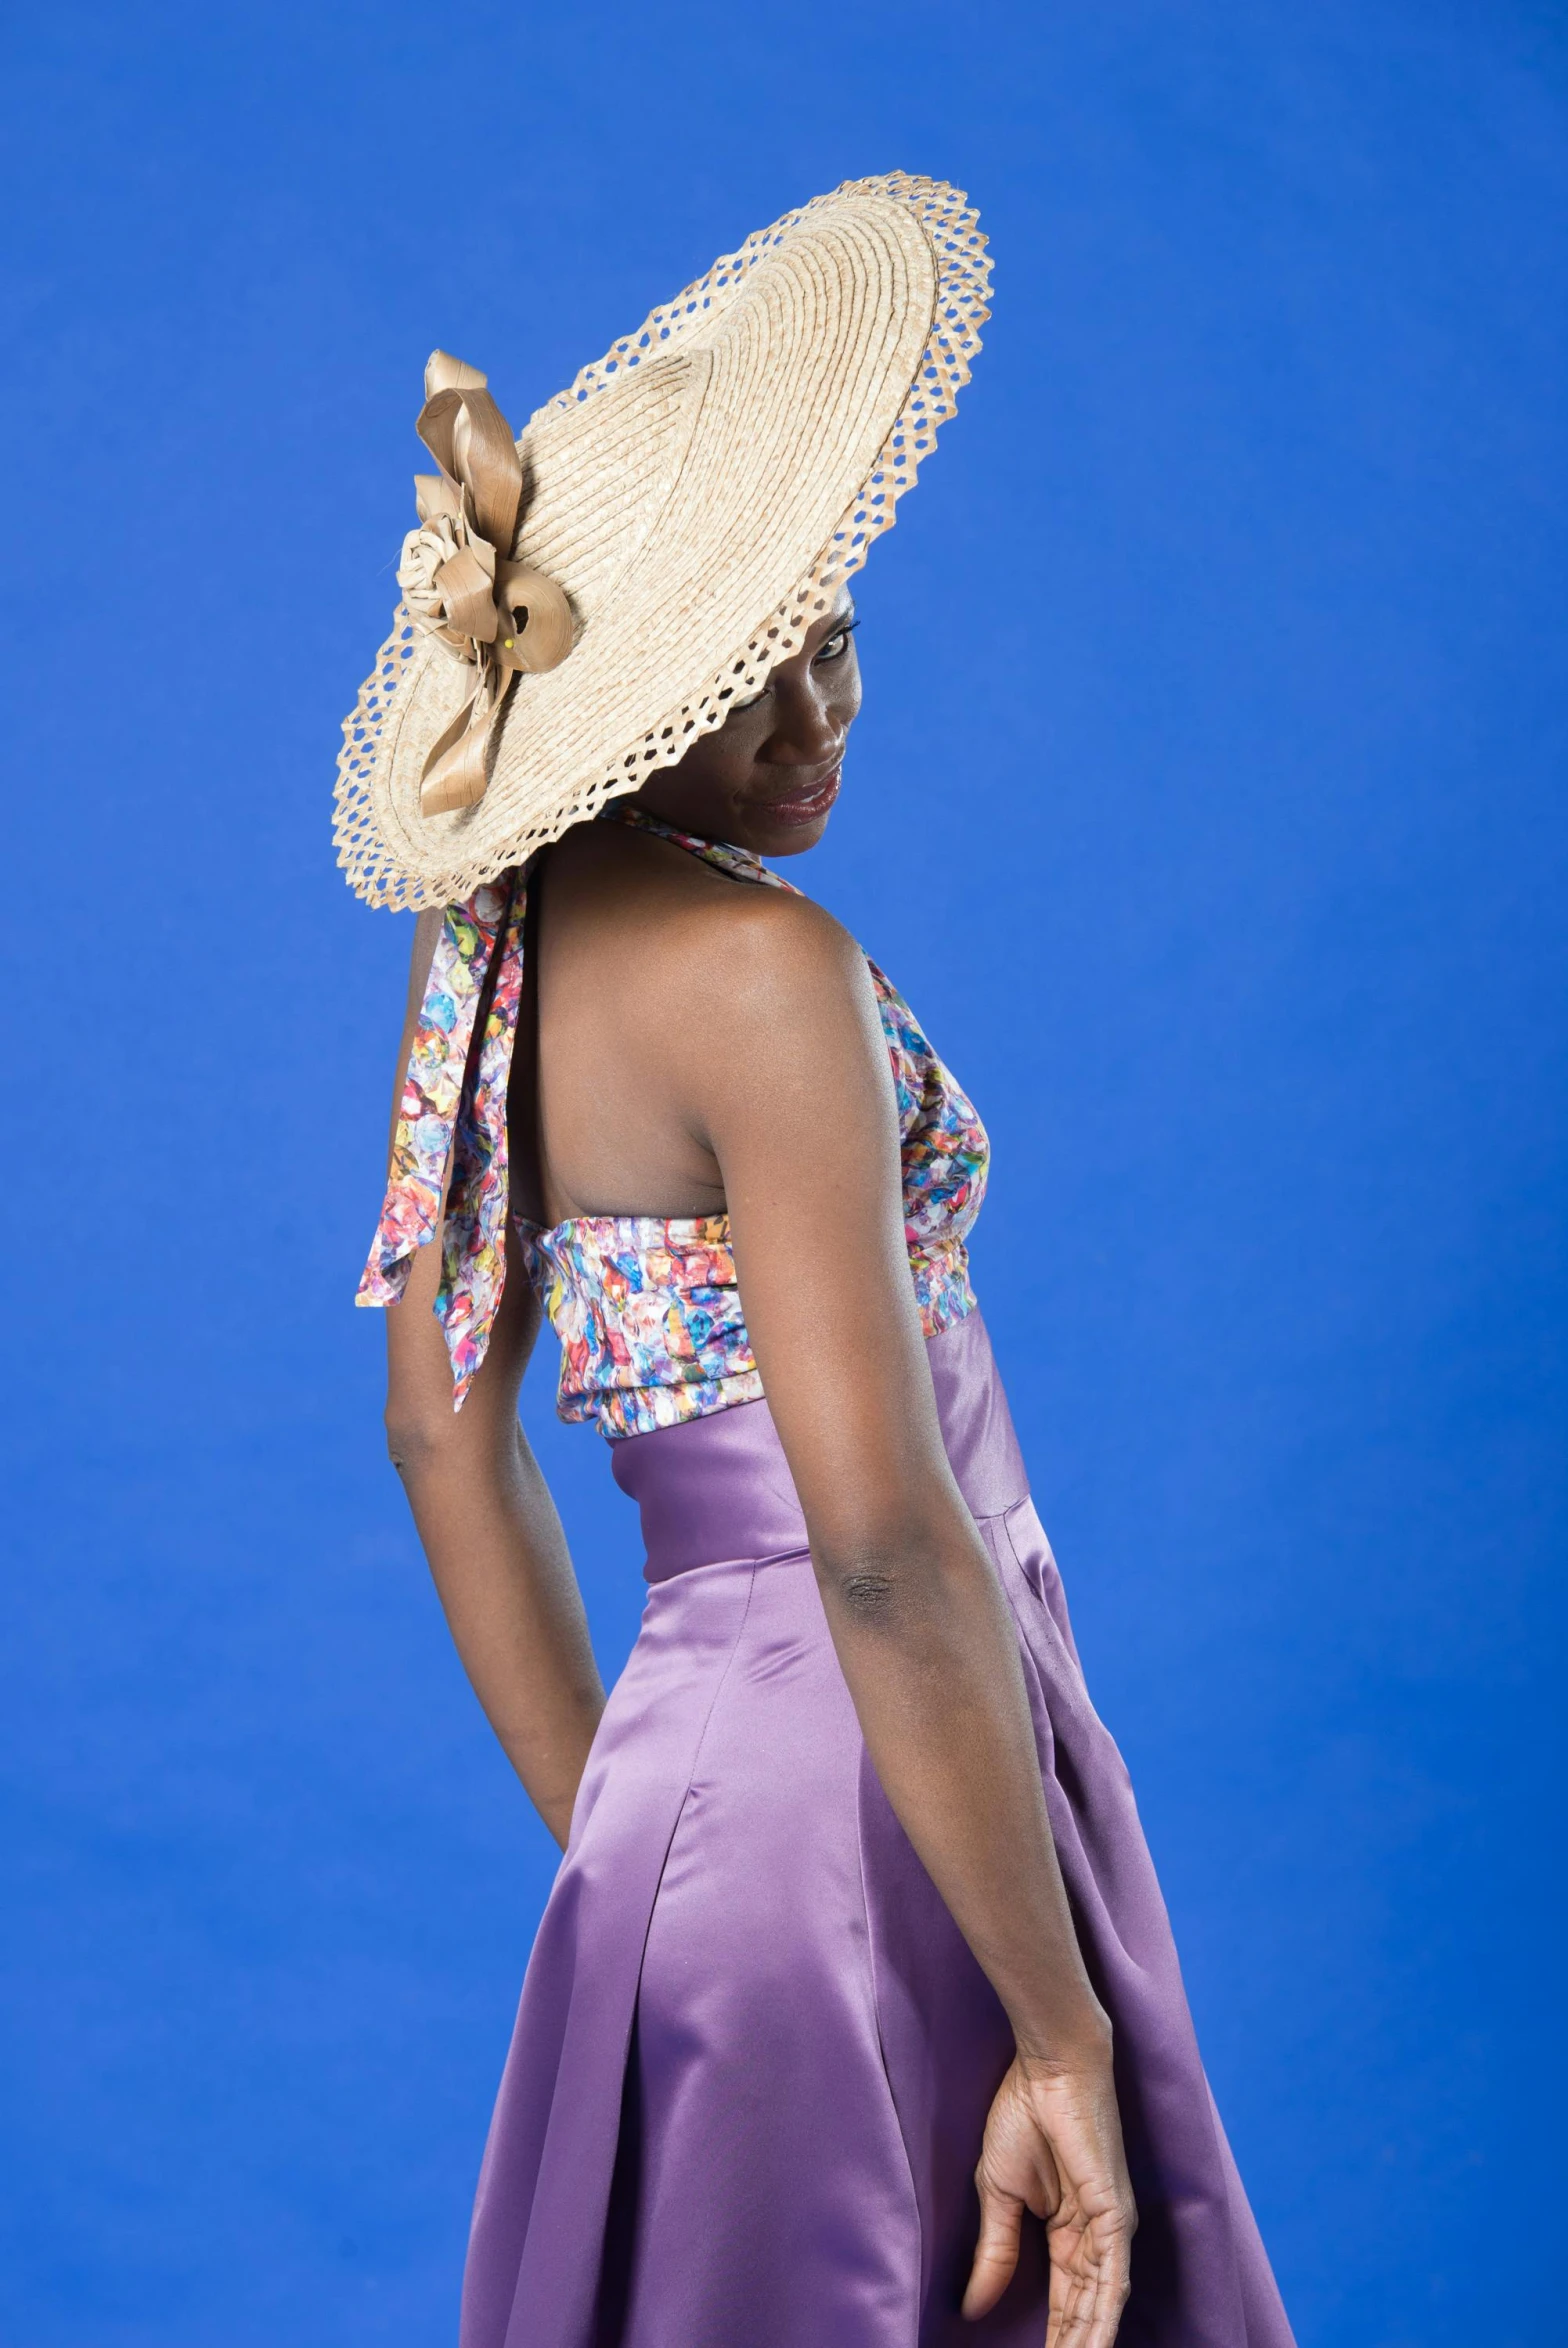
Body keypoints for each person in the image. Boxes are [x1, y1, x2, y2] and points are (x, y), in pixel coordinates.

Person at [337, 177, 1296, 2348]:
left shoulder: (485, 952)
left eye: (831, 635)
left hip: (707, 1792)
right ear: (605, 714)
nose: (814, 715)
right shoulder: (768, 974)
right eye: (738, 682)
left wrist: (634, 1834)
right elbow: (874, 1542)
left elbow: (431, 1424)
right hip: (894, 1766)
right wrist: (1057, 2030)